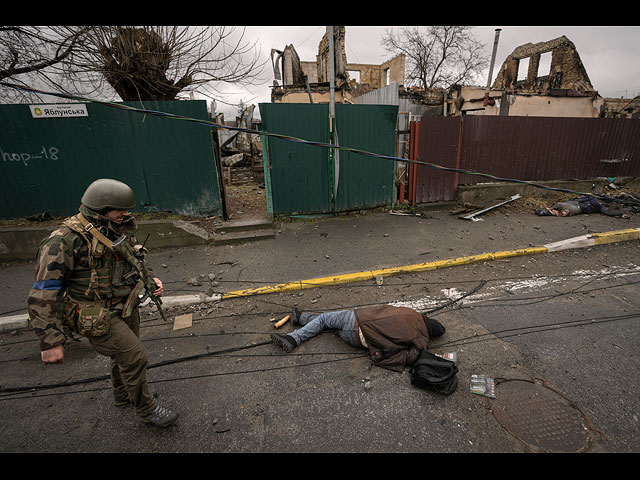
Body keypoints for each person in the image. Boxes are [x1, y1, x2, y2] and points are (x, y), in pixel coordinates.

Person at [27, 178, 179, 427]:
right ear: (101, 209)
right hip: (94, 314)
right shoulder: (64, 241)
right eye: (121, 209)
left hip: (124, 304)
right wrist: (49, 341)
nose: (127, 214)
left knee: (124, 355)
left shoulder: (114, 226)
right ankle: (146, 409)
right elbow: (43, 293)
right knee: (135, 356)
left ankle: (123, 394)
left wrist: (150, 279)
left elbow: (133, 257)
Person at [271, 305, 446, 371]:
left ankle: (293, 338)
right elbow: (411, 357)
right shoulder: (422, 340)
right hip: (361, 340)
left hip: (358, 320)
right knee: (328, 324)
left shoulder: (411, 312)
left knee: (325, 320)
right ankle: (300, 318)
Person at [535, 196, 631, 218]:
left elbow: (561, 205)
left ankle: (547, 211)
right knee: (562, 211)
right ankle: (548, 212)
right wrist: (621, 214)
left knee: (560, 207)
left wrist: (621, 214)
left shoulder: (590, 199)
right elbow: (607, 211)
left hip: (576, 206)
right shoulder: (598, 206)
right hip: (578, 208)